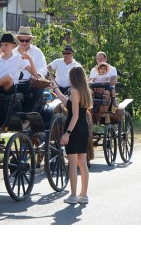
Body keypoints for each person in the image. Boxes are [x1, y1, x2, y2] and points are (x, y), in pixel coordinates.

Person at [51, 66, 92, 205]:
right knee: (83, 163)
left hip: (74, 130)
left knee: (73, 164)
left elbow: (73, 116)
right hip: (83, 128)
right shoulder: (84, 91)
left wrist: (67, 134)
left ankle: (73, 196)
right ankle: (84, 195)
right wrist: (56, 89)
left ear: (73, 77)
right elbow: (67, 104)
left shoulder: (74, 92)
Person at [0, 33, 37, 120]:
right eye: (2, 45)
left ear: (13, 46)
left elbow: (34, 73)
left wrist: (29, 59)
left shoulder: (18, 58)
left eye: (6, 45)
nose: (3, 47)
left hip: (10, 87)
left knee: (8, 77)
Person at [12, 26, 48, 112]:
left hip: (31, 83)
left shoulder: (37, 51)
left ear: (31, 40)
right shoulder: (12, 52)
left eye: (27, 40)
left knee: (38, 89)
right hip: (15, 83)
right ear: (17, 39)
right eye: (22, 40)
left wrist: (37, 75)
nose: (24, 43)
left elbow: (43, 66)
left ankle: (26, 115)